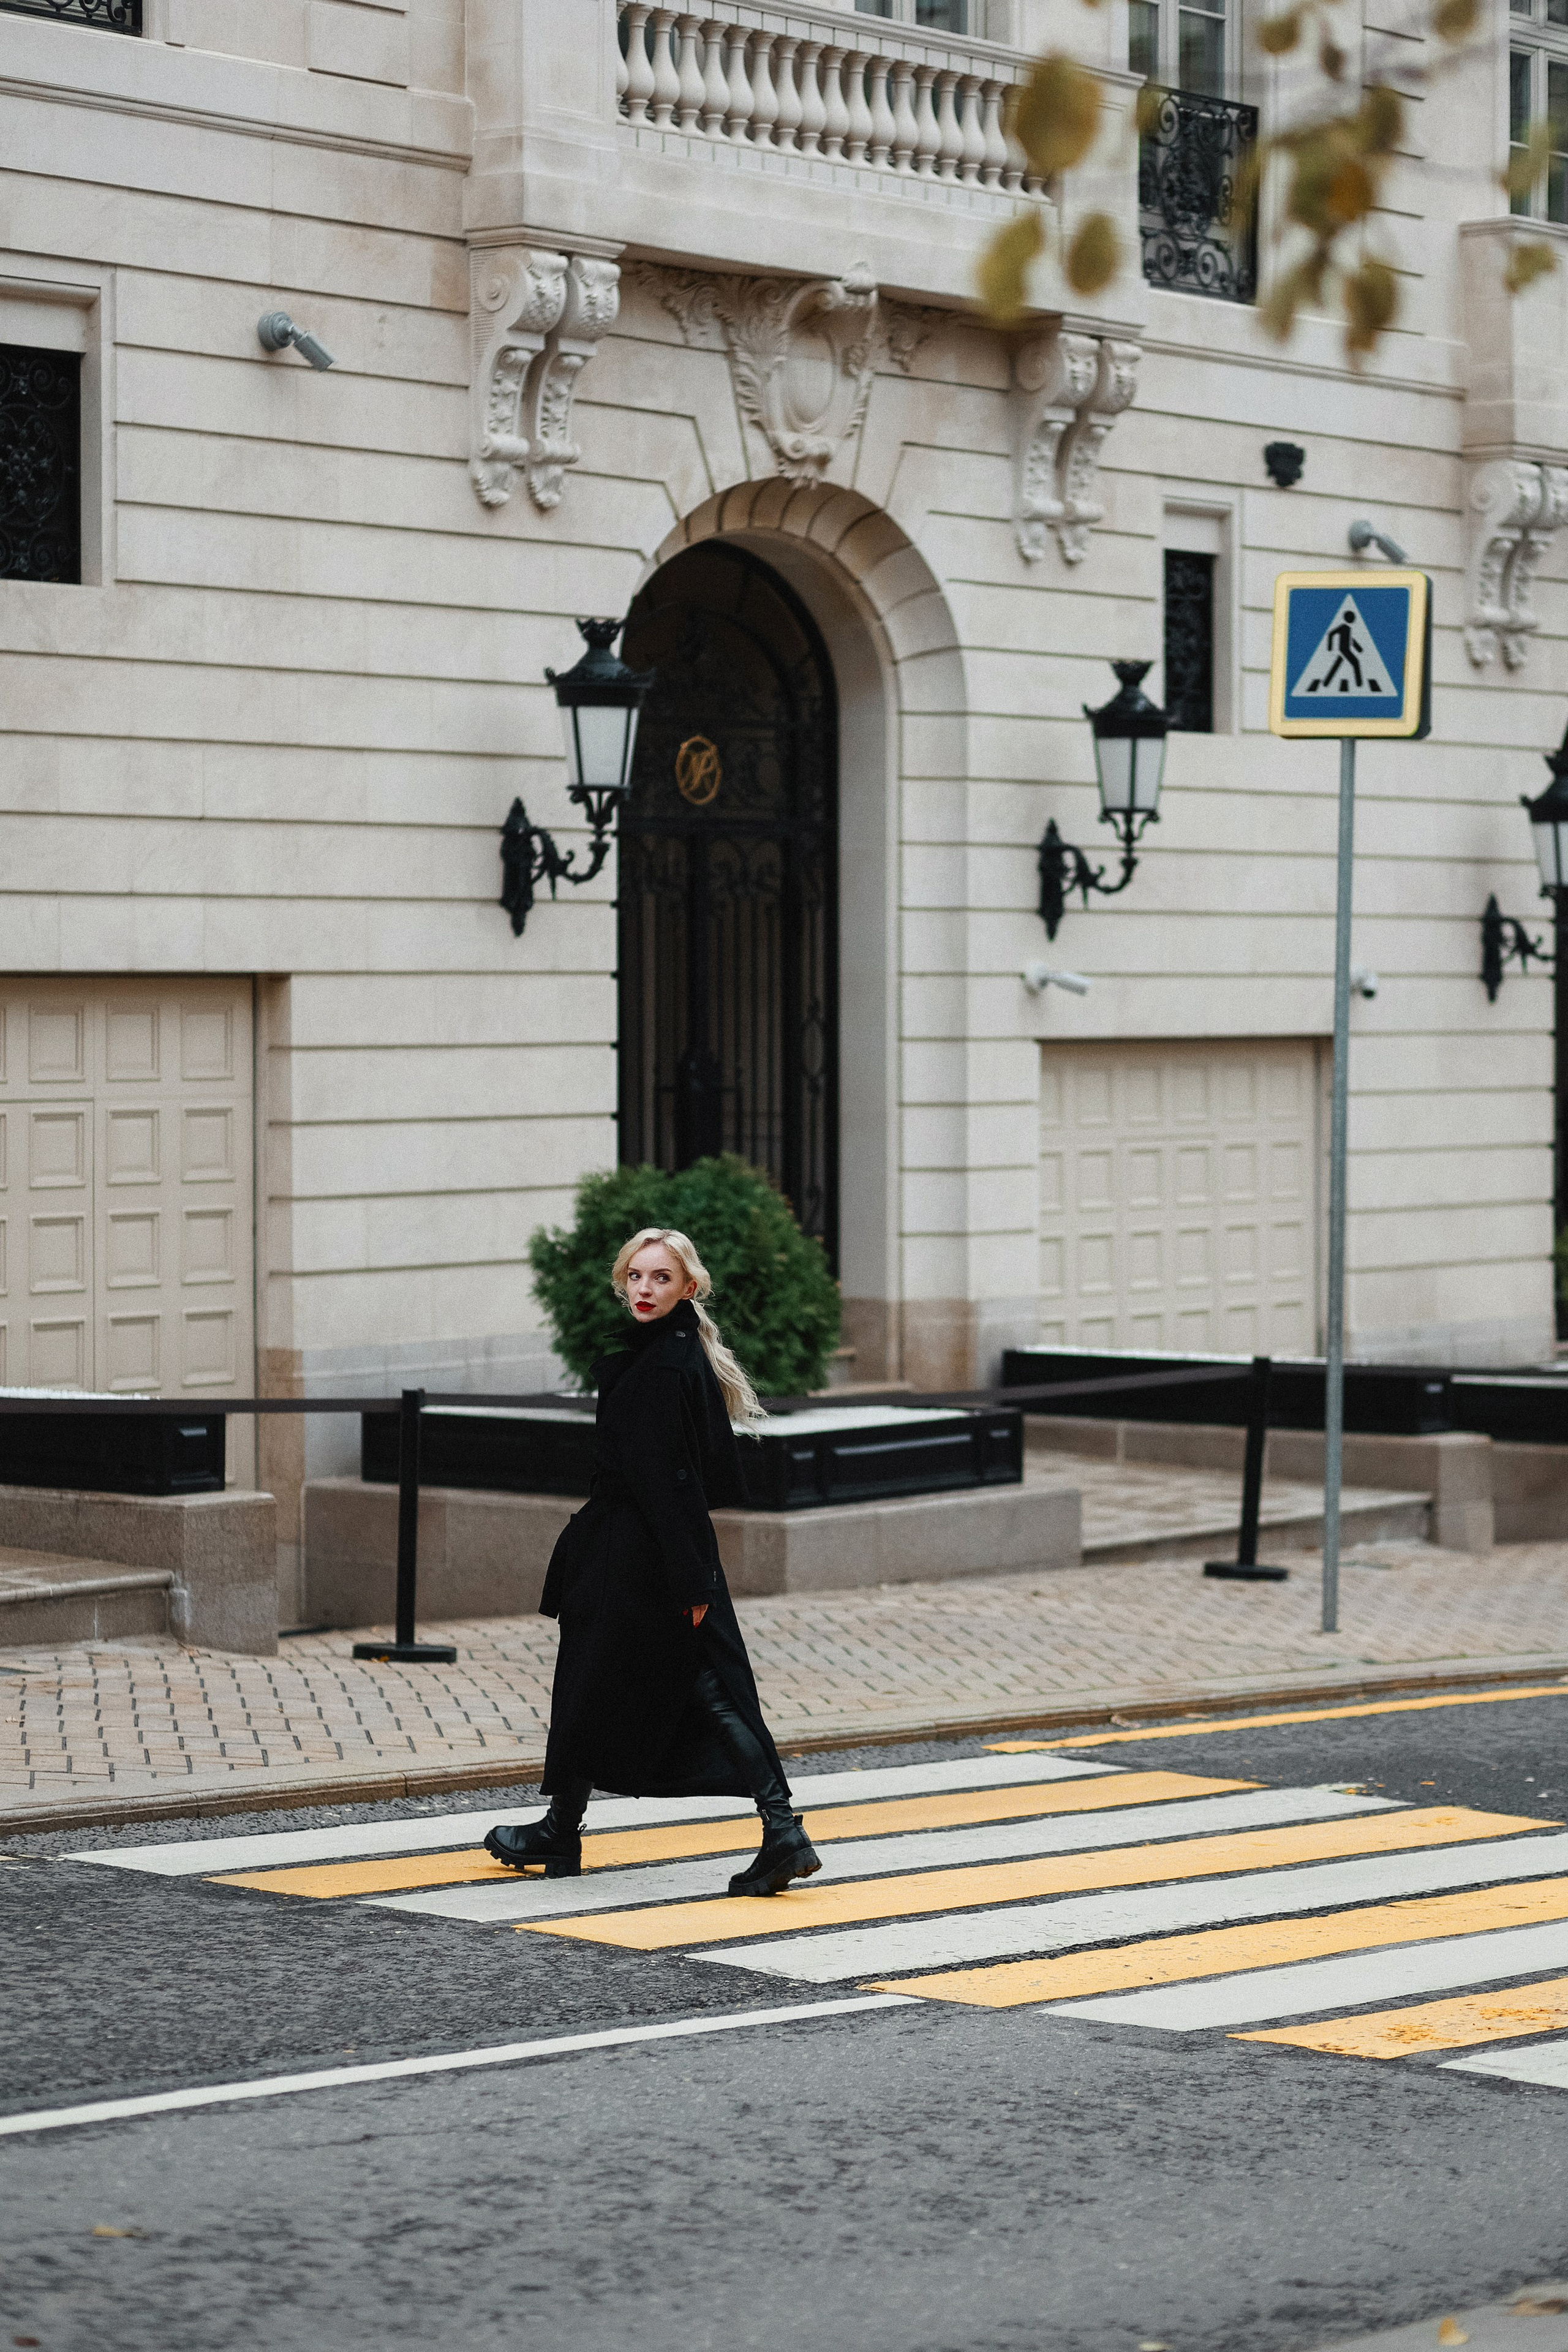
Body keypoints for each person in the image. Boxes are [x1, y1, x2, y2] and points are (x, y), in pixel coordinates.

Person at [484, 1227, 821, 1898]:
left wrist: (692, 1578)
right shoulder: (670, 1351)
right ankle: (562, 1826)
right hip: (642, 1552)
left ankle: (782, 1831)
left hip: (643, 1560)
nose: (644, 1289)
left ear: (687, 1287)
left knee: (703, 1688)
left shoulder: (662, 1368)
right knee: (602, 1683)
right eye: (636, 1277)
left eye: (660, 1279)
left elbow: (671, 1481)